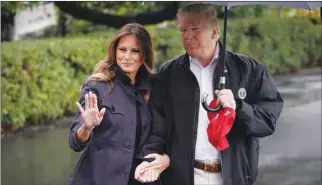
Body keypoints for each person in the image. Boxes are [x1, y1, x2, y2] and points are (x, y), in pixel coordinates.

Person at [135, 3, 284, 185]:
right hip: (184, 177)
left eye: (195, 28)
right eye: (183, 30)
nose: (188, 36)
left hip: (232, 176)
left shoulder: (249, 70)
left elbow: (267, 121)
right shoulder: (166, 74)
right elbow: (158, 125)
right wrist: (153, 156)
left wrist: (238, 107)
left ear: (215, 32)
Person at [67, 23, 169, 185]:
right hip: (98, 179)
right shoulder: (97, 86)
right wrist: (87, 127)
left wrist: (165, 159)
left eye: (135, 51)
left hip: (138, 178)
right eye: (122, 49)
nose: (127, 57)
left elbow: (159, 135)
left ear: (144, 55)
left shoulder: (152, 89)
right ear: (114, 51)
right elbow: (75, 142)